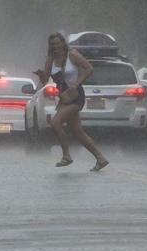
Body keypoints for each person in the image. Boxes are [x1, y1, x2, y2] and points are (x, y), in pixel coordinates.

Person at [33, 32, 109, 172]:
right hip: (63, 97)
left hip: (75, 95)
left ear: (63, 43)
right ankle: (100, 158)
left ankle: (66, 155)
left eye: (57, 43)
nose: (55, 46)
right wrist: (41, 74)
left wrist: (76, 83)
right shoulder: (50, 59)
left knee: (55, 123)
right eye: (52, 44)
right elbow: (45, 80)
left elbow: (89, 68)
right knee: (78, 132)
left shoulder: (72, 55)